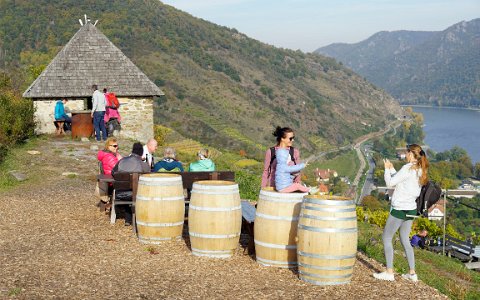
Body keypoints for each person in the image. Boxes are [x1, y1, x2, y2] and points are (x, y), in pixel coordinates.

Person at [373, 144, 429, 282]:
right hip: (410, 210)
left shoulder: (407, 168)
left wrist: (386, 169)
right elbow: (402, 180)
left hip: (399, 209)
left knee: (386, 238)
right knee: (405, 240)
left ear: (411, 154)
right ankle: (412, 273)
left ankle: (389, 272)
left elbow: (391, 183)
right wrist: (392, 168)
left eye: (406, 152)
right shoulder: (420, 169)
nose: (405, 155)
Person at [111, 142, 150, 226]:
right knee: (135, 189)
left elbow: (113, 172)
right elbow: (149, 177)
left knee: (129, 189)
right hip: (137, 195)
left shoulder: (121, 161)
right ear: (141, 153)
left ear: (132, 151)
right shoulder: (143, 165)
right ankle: (139, 218)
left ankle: (128, 219)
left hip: (120, 193)